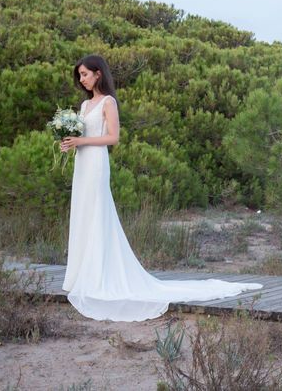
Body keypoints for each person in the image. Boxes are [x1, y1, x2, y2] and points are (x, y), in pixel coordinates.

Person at [60, 55, 261, 321]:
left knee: (97, 212)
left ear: (98, 74)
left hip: (96, 161)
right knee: (83, 212)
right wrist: (70, 141)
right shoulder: (85, 104)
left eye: (85, 74)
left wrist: (82, 142)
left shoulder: (108, 102)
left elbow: (113, 137)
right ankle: (79, 275)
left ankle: (98, 276)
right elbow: (82, 133)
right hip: (82, 163)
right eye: (80, 76)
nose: (82, 79)